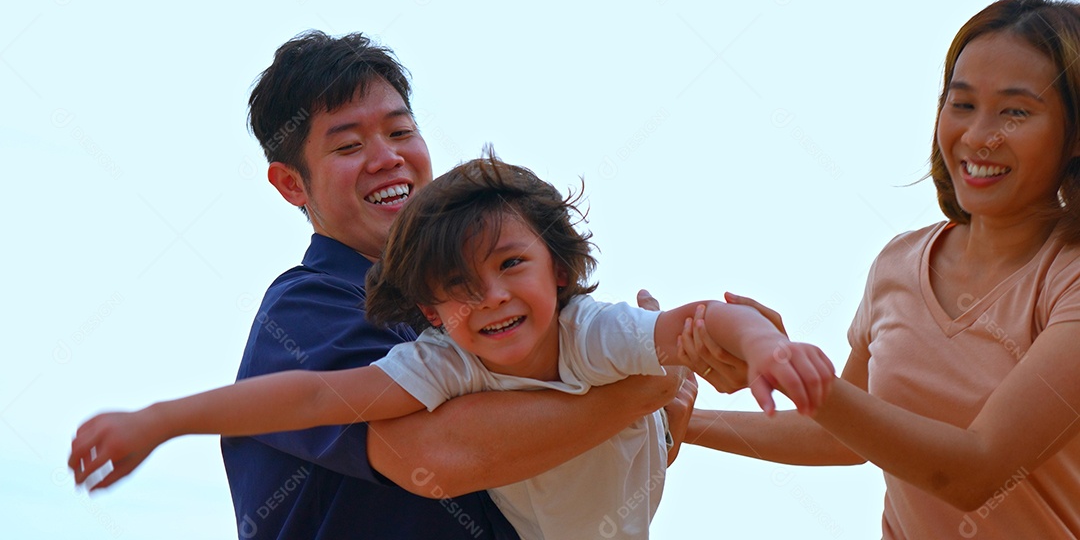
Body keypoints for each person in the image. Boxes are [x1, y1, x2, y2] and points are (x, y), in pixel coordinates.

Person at [70, 31, 702, 540]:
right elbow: (438, 459)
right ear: (292, 185)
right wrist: (646, 383)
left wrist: (680, 396)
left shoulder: (473, 313)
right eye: (348, 144)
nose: (387, 158)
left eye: (400, 132)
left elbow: (556, 462)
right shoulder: (310, 306)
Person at [69, 154, 836, 539]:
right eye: (460, 288)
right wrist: (159, 420)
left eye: (511, 267)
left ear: (561, 271)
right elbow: (309, 394)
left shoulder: (592, 331)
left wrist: (764, 347)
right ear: (429, 312)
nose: (492, 297)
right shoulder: (442, 362)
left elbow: (702, 321)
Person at [681, 0, 1080, 539]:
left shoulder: (1070, 277)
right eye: (961, 103)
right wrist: (680, 421)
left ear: (1075, 134)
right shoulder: (898, 261)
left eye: (1015, 111)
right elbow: (843, 436)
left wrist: (792, 371)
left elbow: (979, 471)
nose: (978, 135)